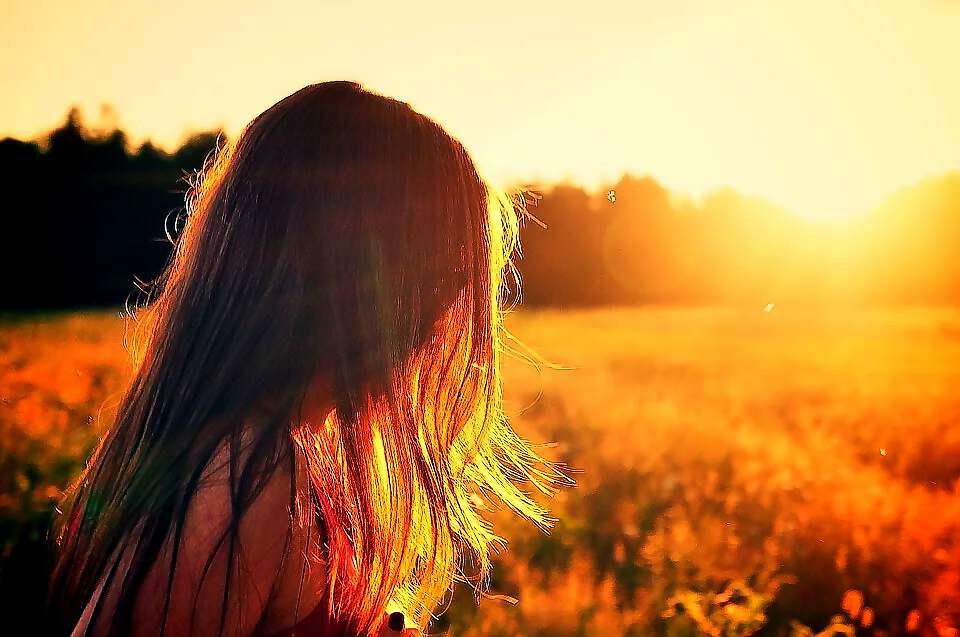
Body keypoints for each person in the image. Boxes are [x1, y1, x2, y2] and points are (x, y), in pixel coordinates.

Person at [49, 81, 564, 637]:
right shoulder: (247, 478)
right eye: (444, 278)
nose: (444, 322)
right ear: (374, 282)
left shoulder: (253, 460)